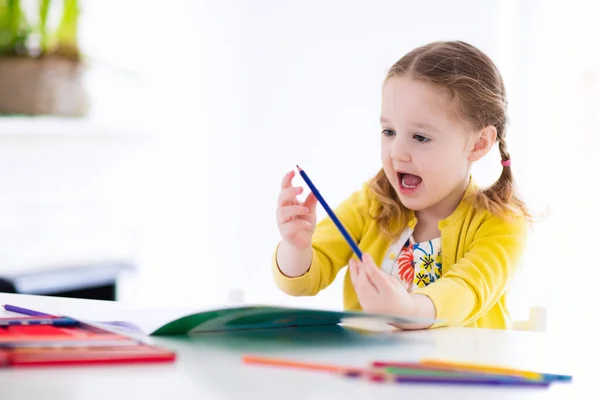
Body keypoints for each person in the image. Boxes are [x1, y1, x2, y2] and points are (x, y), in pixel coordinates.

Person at [272, 40, 531, 330]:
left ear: (478, 143)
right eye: (389, 131)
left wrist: (406, 310)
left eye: (420, 137)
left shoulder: (502, 225)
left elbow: (465, 290)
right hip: (373, 373)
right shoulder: (371, 204)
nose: (396, 152)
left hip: (461, 374)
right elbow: (301, 283)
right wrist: (296, 247)